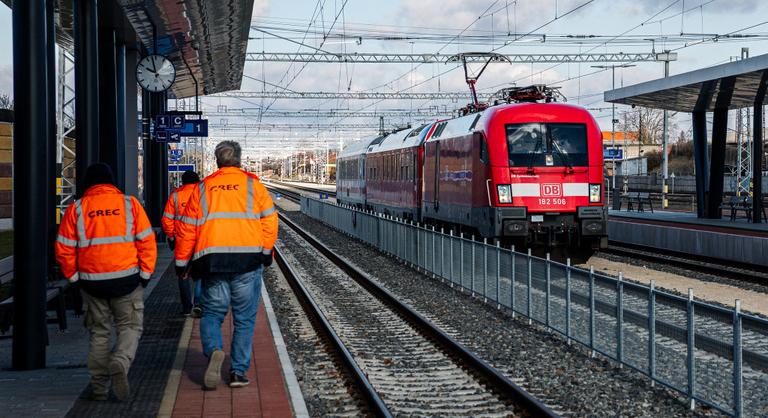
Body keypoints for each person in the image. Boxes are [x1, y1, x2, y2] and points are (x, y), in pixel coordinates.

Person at [175, 141, 277, 389]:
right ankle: (237, 373)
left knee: (212, 313)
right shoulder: (254, 186)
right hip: (248, 261)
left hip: (213, 261)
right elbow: (270, 223)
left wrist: (181, 263)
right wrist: (265, 253)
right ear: (239, 160)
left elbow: (187, 229)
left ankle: (214, 351)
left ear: (217, 160)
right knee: (244, 319)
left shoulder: (203, 188)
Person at [55, 163, 157, 401]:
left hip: (92, 283)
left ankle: (99, 388)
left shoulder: (76, 209)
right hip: (127, 280)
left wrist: (74, 278)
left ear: (88, 183)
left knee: (99, 334)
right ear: (112, 182)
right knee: (130, 327)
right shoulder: (130, 205)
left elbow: (64, 249)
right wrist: (145, 274)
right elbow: (146, 242)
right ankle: (120, 361)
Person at [162, 170, 203, 317]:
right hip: (201, 240)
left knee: (183, 274)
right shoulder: (203, 195)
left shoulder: (176, 196)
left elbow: (166, 220)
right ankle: (198, 304)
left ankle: (186, 308)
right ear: (197, 181)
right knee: (200, 274)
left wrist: (172, 236)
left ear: (183, 182)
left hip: (182, 241)